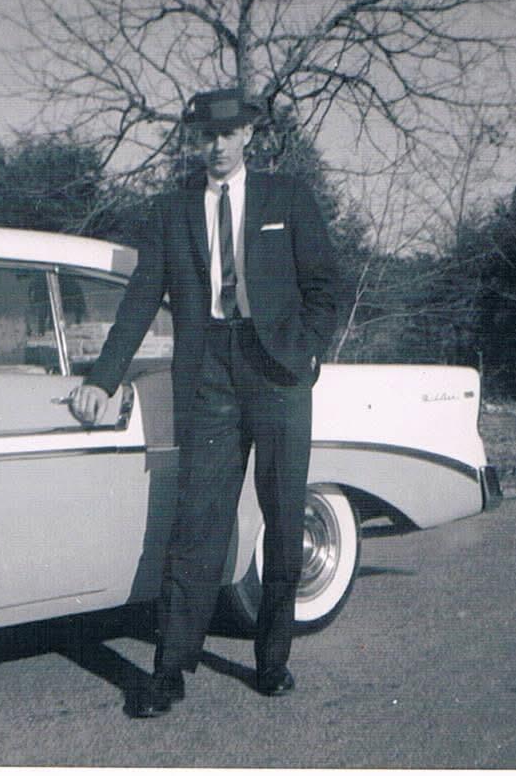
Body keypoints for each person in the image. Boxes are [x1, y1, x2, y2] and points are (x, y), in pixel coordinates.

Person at [68, 86, 339, 718]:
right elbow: (139, 299)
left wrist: (309, 352)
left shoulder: (287, 197)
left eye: (225, 134)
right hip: (208, 370)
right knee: (197, 522)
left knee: (282, 514)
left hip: (277, 372)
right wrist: (104, 378)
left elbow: (325, 284)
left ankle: (272, 660)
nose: (214, 146)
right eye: (203, 136)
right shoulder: (171, 210)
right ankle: (169, 670)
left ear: (248, 134)